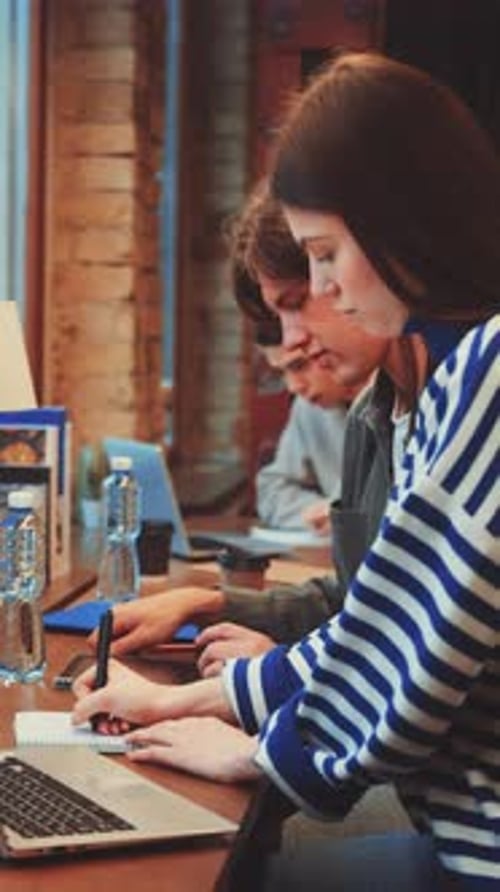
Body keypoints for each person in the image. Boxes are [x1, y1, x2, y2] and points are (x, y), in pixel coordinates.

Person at [73, 52, 499, 890]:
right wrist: (187, 706)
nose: (328, 292)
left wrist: (262, 756)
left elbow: (405, 665)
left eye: (327, 255)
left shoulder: (486, 370)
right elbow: (380, 623)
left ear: (399, 223)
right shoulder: (457, 378)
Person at [254, 320, 359, 537]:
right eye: (281, 373)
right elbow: (272, 490)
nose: (293, 386)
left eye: (299, 366)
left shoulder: (405, 402)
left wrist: (344, 516)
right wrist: (324, 513)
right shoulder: (309, 408)